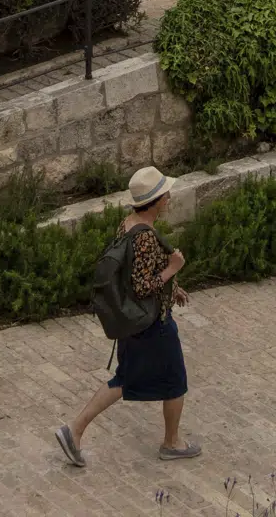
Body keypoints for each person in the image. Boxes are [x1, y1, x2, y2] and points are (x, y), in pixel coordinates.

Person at [55, 166, 197, 466]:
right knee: (174, 380)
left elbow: (136, 273)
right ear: (155, 200)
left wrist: (173, 288)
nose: (169, 197)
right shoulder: (145, 237)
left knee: (125, 379)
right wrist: (173, 269)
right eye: (165, 194)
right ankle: (171, 442)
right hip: (153, 325)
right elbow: (143, 285)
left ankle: (75, 430)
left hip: (134, 324)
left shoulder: (129, 224)